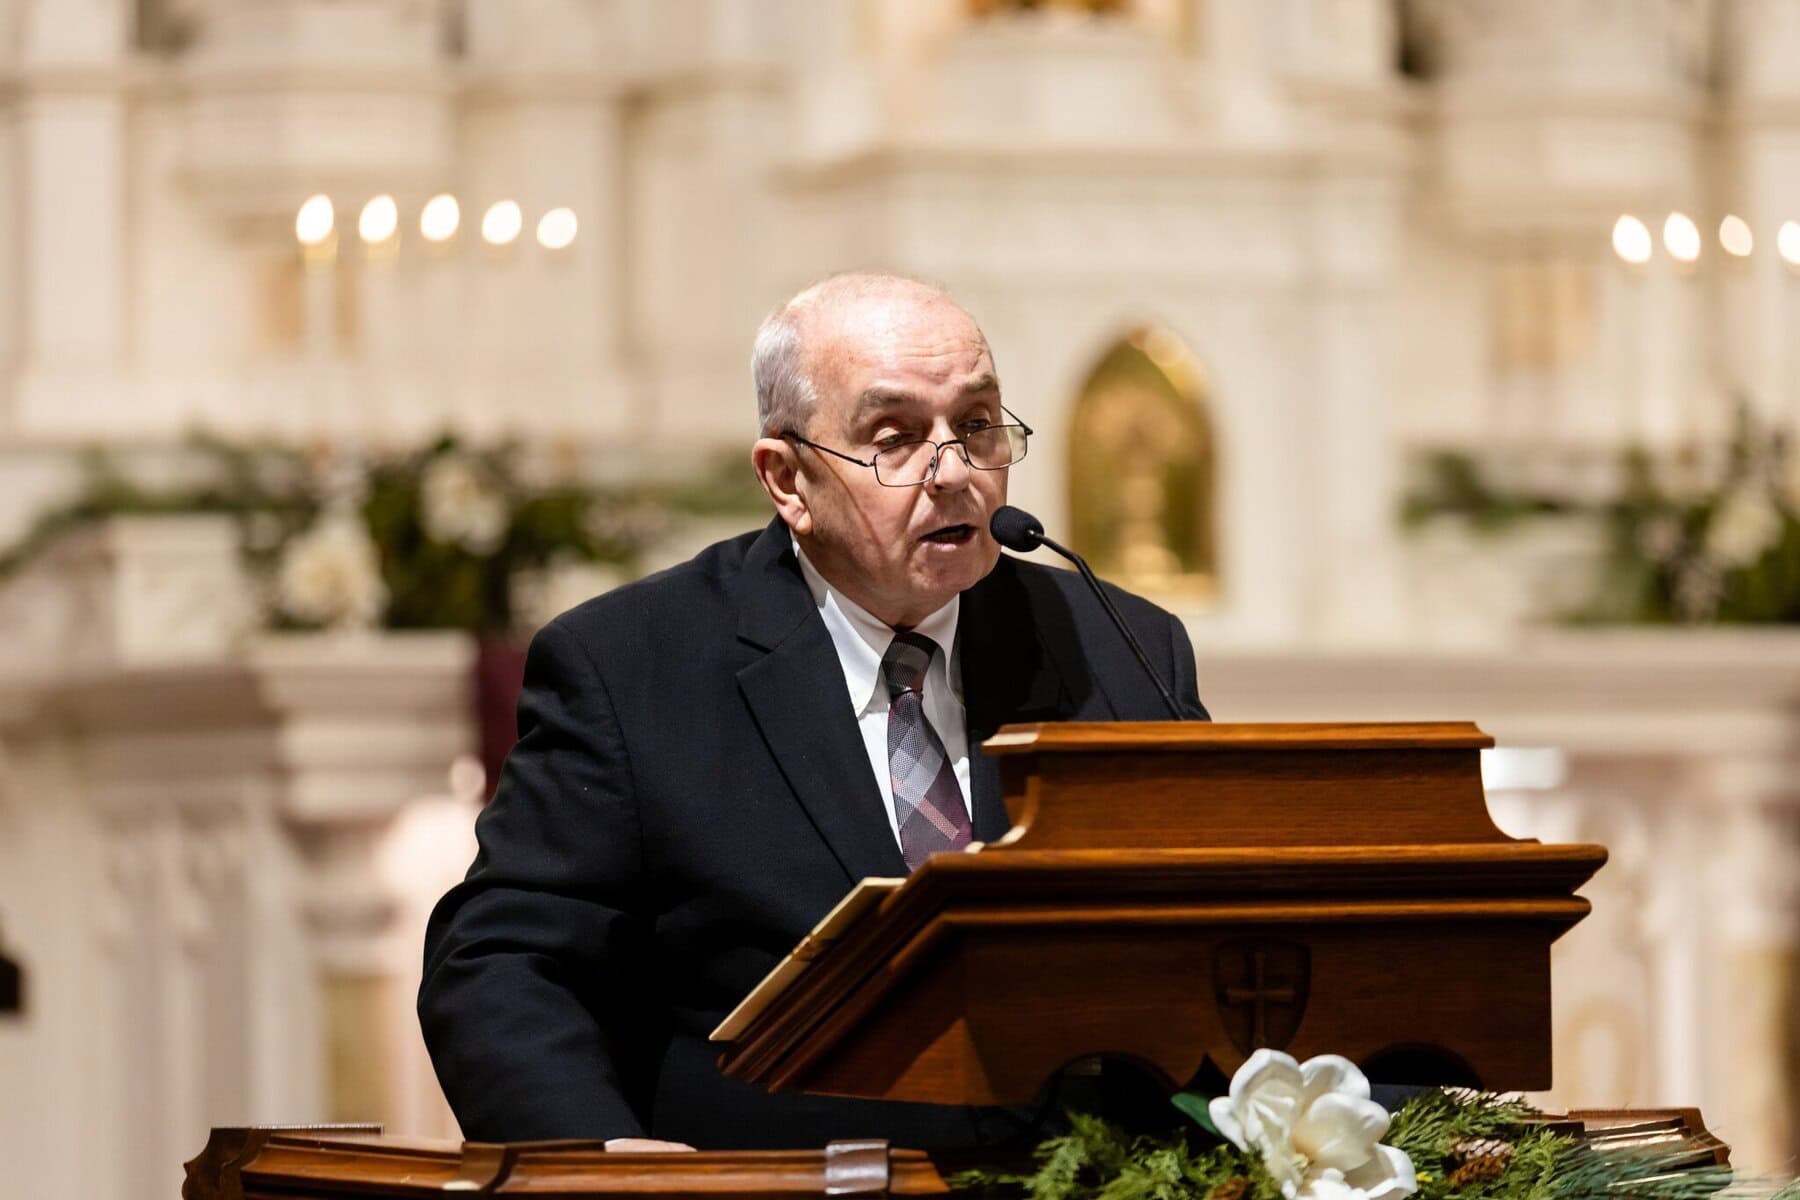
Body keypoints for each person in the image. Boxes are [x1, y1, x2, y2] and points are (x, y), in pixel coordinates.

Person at [419, 273, 1209, 1151]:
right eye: (895, 438)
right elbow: (503, 963)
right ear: (787, 479)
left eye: (978, 425)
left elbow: (1222, 942)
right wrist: (597, 1165)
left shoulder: (1119, 648)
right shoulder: (635, 667)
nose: (955, 474)